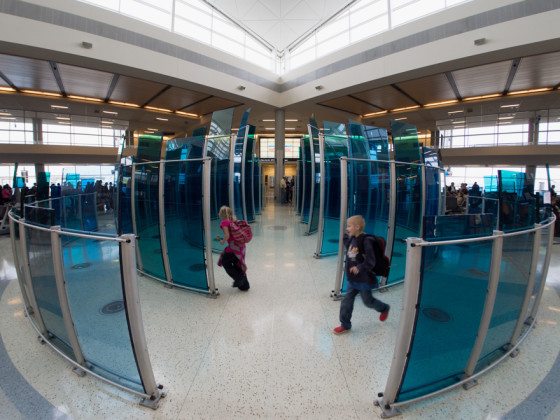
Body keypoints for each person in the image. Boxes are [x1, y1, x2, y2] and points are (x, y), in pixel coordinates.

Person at [333, 215, 390, 334]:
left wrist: (359, 267)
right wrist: (345, 236)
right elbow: (350, 248)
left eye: (349, 226)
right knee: (347, 301)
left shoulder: (367, 241)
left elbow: (370, 261)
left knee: (368, 301)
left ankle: (384, 308)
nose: (347, 228)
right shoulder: (353, 238)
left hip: (364, 279)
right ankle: (345, 324)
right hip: (352, 279)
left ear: (357, 227)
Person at [217, 206, 250, 291]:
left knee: (225, 263)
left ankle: (239, 279)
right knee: (237, 264)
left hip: (233, 248)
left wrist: (222, 241)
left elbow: (227, 235)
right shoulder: (233, 221)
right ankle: (244, 286)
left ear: (222, 214)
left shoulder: (224, 222)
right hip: (241, 247)